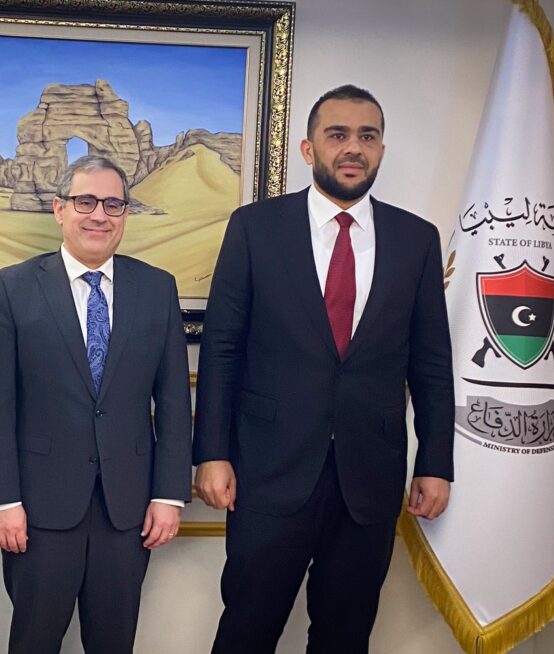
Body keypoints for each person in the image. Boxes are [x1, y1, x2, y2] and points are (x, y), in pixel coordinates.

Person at [193, 85, 454, 653]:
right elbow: (221, 349)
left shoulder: (417, 240)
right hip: (268, 472)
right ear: (310, 150)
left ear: (381, 149)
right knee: (246, 630)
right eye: (338, 135)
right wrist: (211, 452)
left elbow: (432, 363)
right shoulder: (254, 229)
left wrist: (435, 461)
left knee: (344, 636)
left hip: (369, 479)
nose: (353, 148)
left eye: (367, 136)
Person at [0, 155, 192, 653]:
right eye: (85, 201)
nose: (99, 215)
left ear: (126, 213)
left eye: (113, 203)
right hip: (38, 510)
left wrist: (169, 494)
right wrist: (3, 500)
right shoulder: (14, 287)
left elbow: (175, 401)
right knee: (33, 642)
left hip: (128, 510)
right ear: (59, 209)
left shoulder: (157, 289)